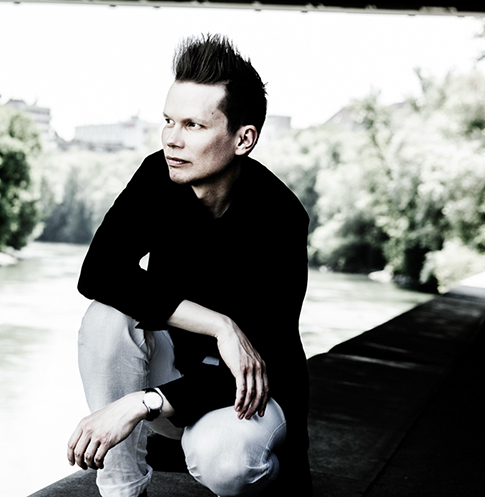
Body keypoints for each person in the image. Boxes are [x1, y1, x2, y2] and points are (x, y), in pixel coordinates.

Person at [67, 34, 311, 496]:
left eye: (194, 125)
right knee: (105, 318)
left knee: (227, 461)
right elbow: (97, 273)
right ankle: (121, 488)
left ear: (243, 139)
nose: (172, 140)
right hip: (175, 373)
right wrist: (220, 325)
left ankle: (264, 475)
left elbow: (261, 361)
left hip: (245, 394)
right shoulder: (158, 176)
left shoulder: (280, 217)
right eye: (168, 121)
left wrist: (141, 403)